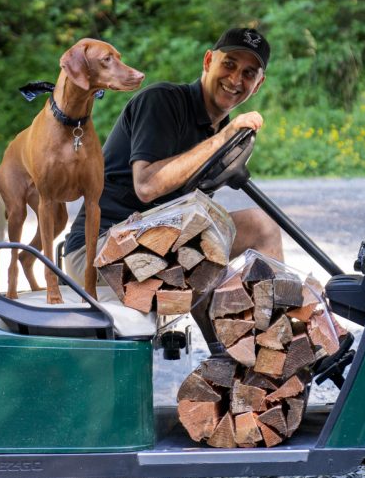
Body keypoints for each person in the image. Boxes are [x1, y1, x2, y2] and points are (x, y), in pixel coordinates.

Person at [63, 27, 282, 286]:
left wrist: (224, 137)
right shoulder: (162, 102)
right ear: (208, 61)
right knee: (236, 231)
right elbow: (146, 186)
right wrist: (222, 139)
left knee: (259, 229)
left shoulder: (222, 129)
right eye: (229, 65)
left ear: (258, 85)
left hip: (157, 244)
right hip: (99, 249)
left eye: (248, 74)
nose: (235, 80)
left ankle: (285, 319)